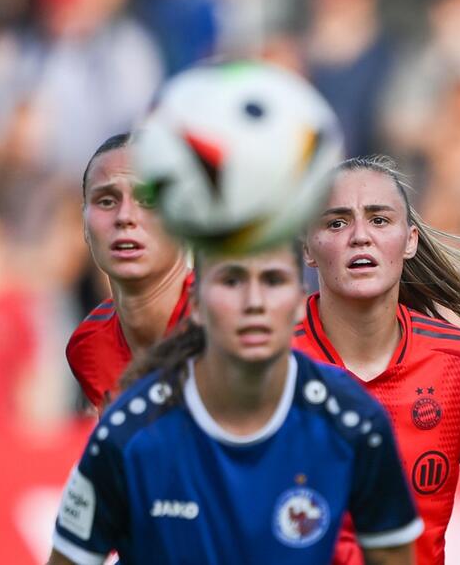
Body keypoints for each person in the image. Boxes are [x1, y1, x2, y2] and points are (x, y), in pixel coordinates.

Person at [49, 243, 422, 564]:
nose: (254, 302)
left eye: (273, 280)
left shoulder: (354, 421)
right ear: (194, 303)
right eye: (231, 281)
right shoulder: (128, 435)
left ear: (298, 302)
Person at [295, 155, 460, 564]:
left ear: (410, 241)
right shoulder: (267, 360)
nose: (359, 236)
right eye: (337, 223)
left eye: (380, 220)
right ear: (308, 249)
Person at [66, 133, 192, 416]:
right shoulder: (87, 346)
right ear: (84, 224)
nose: (125, 216)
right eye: (107, 201)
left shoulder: (228, 327)